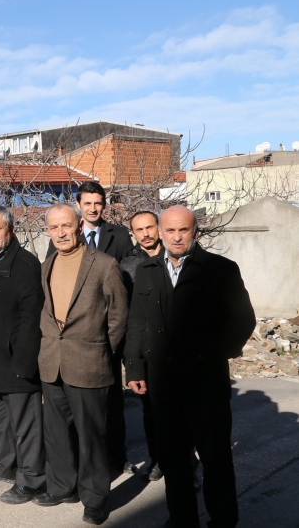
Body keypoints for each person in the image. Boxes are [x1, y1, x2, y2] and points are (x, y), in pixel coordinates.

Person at [125, 206, 255, 528]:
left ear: (195, 231)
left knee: (216, 460)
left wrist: (212, 354)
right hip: (163, 385)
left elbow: (243, 320)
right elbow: (137, 323)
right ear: (160, 232)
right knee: (174, 460)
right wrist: (136, 369)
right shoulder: (147, 271)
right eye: (170, 231)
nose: (177, 236)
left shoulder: (220, 269)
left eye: (183, 230)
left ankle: (223, 520)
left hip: (206, 384)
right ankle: (181, 519)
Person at [34, 203, 128, 526]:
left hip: (89, 363)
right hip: (53, 363)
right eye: (53, 228)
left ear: (78, 226)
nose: (60, 233)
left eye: (65, 226)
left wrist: (102, 350)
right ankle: (62, 486)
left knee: (92, 436)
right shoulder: (46, 265)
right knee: (57, 432)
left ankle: (95, 498)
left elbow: (118, 317)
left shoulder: (104, 265)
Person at [46, 182, 134, 475]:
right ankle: (73, 476)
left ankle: (114, 459)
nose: (93, 208)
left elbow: (119, 303)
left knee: (106, 411)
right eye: (88, 203)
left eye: (98, 203)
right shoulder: (58, 246)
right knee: (73, 420)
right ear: (80, 206)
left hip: (100, 343)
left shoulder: (118, 238)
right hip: (66, 351)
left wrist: (104, 345)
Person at [0, 205, 46, 505]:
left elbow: (32, 318)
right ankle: (6, 465)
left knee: (26, 425)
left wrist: (23, 361)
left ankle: (32, 480)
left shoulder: (25, 264)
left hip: (15, 360)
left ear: (10, 230)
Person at [119, 210, 164, 483]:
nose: (146, 234)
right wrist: (131, 360)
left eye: (150, 227)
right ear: (133, 234)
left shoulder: (176, 257)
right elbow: (127, 316)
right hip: (144, 350)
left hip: (175, 348)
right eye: (139, 230)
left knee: (181, 412)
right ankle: (158, 460)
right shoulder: (127, 266)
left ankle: (187, 463)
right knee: (151, 411)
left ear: (158, 227)